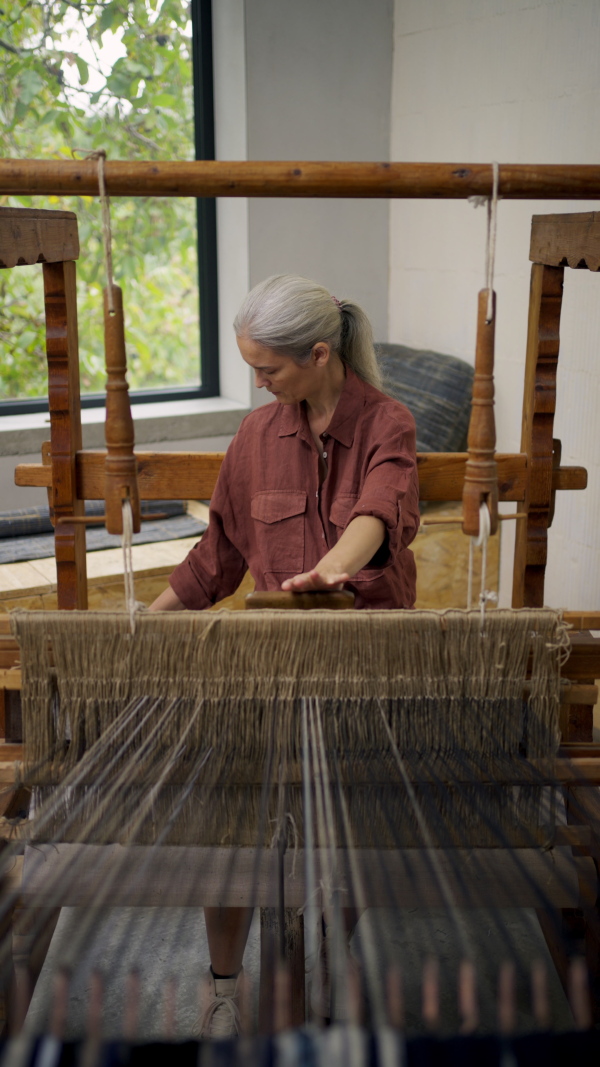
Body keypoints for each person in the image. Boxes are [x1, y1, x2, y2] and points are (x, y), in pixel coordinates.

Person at [149, 274, 420, 1034]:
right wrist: (145, 625)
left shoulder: (386, 423)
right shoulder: (256, 436)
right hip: (272, 664)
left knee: (352, 823)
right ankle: (225, 983)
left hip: (366, 664)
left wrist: (335, 566)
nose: (259, 383)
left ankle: (326, 963)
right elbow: (216, 558)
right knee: (228, 809)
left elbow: (377, 511)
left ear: (320, 354)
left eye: (268, 369)